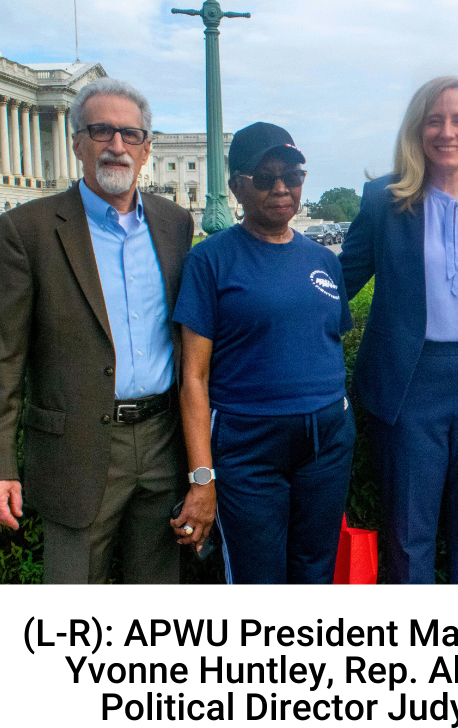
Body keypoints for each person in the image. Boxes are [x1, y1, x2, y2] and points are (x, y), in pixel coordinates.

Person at [0, 79, 193, 583]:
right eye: (101, 130)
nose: (116, 146)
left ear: (147, 148)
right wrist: (2, 463)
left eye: (130, 134)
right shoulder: (27, 230)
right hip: (77, 449)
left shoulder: (175, 224)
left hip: (160, 441)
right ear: (77, 141)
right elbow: (6, 358)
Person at [339, 77, 458, 584]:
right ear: (417, 131)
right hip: (410, 383)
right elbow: (336, 285)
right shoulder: (385, 200)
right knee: (408, 539)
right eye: (434, 120)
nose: (447, 132)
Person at [172, 122, 355, 584]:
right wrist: (201, 478)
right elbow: (193, 377)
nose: (280, 188)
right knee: (258, 581)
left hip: (327, 441)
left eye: (291, 176)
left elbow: (329, 343)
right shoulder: (210, 259)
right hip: (249, 444)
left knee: (317, 573)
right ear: (236, 186)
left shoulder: (323, 260)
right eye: (264, 177)